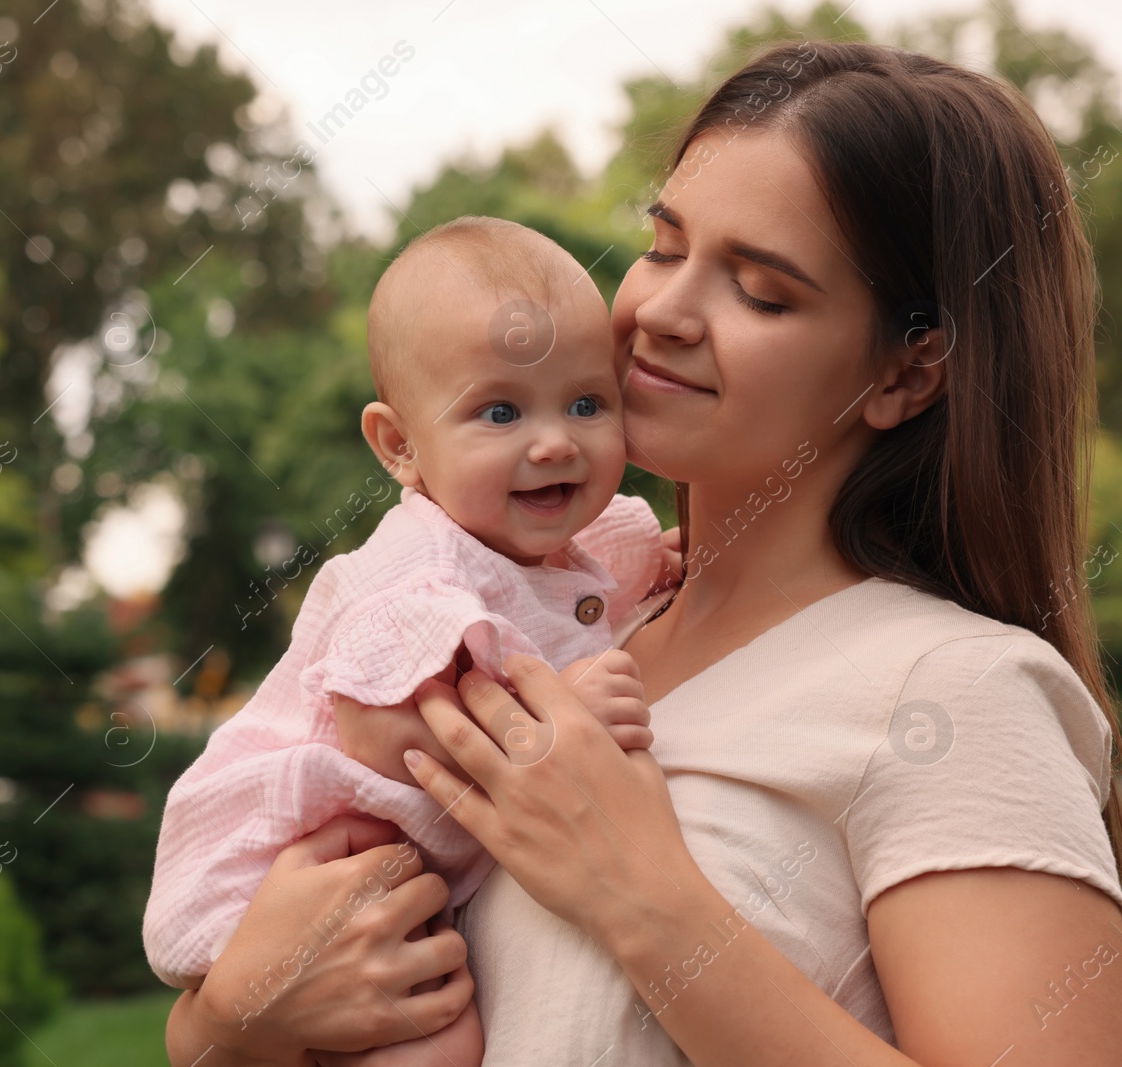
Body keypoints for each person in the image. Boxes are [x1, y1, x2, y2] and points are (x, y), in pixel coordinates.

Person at [163, 39, 1122, 1066]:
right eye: (664, 247)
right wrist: (233, 1022)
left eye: (758, 290)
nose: (660, 312)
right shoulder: (566, 620)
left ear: (904, 372)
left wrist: (644, 898)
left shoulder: (954, 692)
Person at [145, 216, 678, 1066]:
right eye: (499, 411)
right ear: (400, 445)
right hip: (307, 862)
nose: (553, 439)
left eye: (587, 402)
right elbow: (377, 730)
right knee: (435, 1037)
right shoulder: (419, 568)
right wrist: (554, 716)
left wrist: (666, 565)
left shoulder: (558, 543)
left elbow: (594, 586)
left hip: (394, 877)